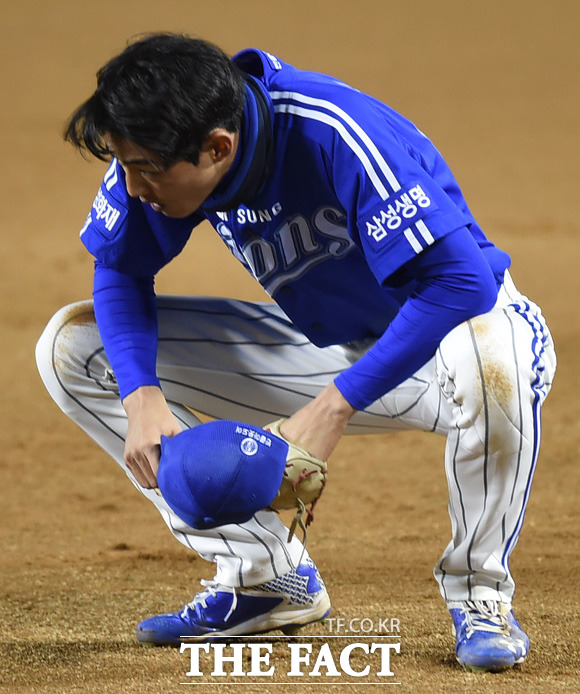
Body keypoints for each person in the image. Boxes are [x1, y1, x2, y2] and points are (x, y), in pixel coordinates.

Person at [35, 33, 556, 672]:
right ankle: (266, 577)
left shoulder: (333, 130)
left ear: (218, 148)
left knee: (489, 359)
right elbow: (119, 269)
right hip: (339, 351)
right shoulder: (171, 141)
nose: (135, 186)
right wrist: (140, 393)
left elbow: (461, 282)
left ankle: (480, 597)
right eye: (127, 165)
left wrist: (331, 409)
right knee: (74, 348)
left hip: (460, 335)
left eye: (145, 169)